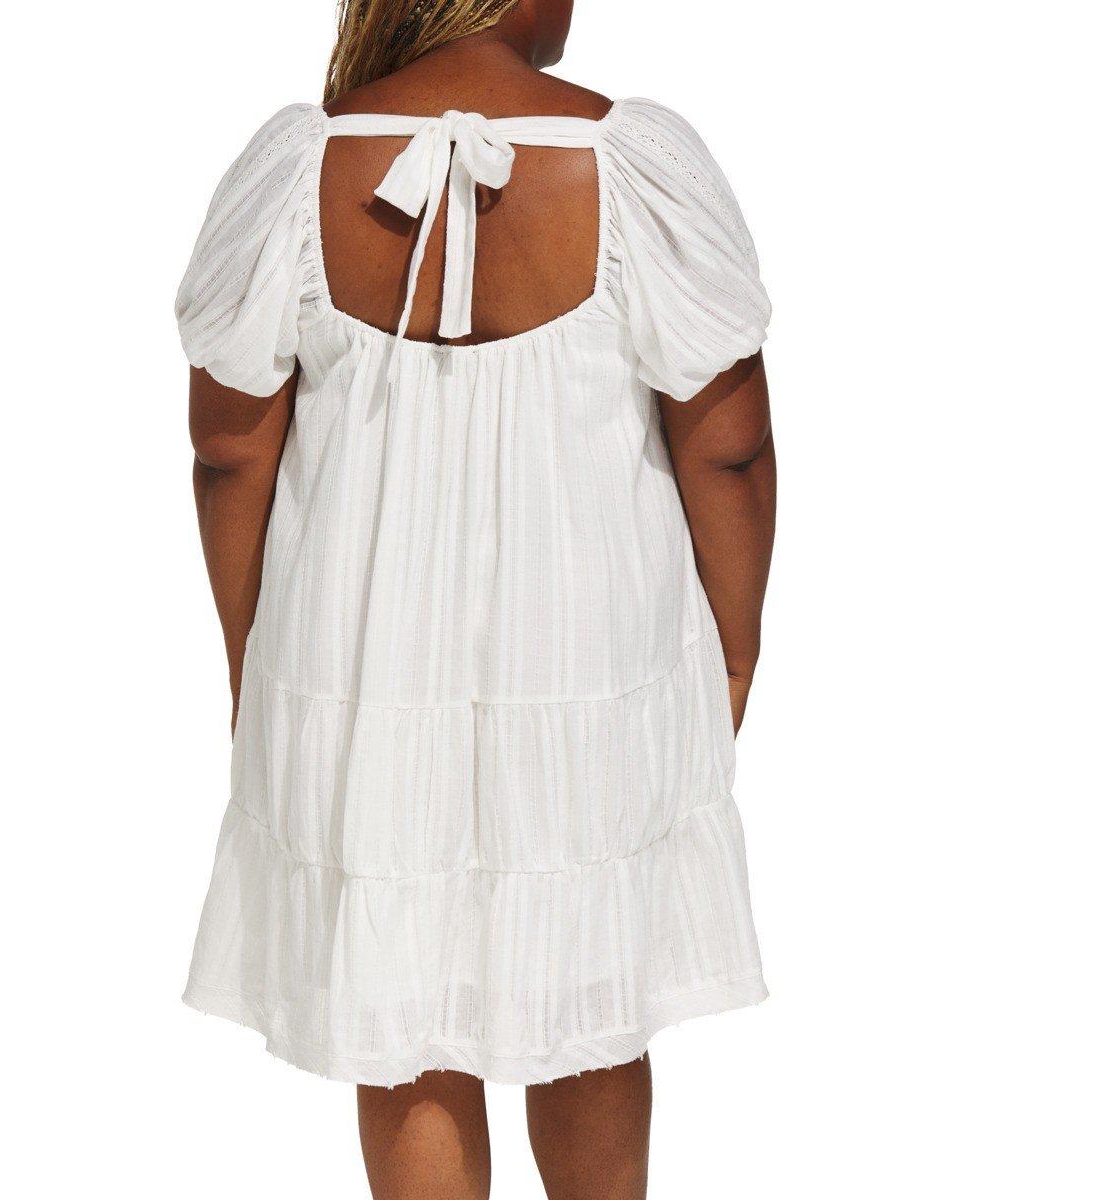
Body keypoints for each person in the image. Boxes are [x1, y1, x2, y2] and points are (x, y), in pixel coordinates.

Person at [175, 1, 774, 1195]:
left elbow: (230, 451)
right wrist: (739, 644)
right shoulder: (631, 165)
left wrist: (251, 653)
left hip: (363, 666)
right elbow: (728, 445)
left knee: (404, 1013)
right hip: (588, 659)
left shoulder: (301, 167)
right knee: (590, 987)